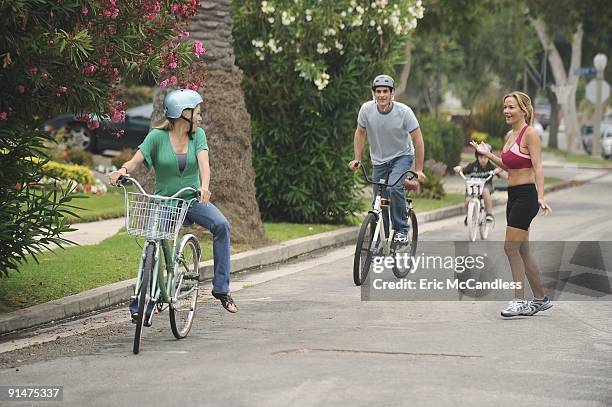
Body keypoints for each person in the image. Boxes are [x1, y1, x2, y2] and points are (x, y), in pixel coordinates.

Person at [109, 89, 238, 323]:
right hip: (164, 203)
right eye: (196, 113)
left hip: (191, 199)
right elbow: (136, 159)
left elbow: (204, 164)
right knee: (152, 243)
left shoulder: (197, 136)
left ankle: (221, 288)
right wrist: (122, 170)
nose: (200, 118)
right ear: (183, 114)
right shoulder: (156, 137)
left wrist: (204, 187)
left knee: (221, 225)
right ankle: (144, 301)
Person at [471, 91, 552, 318]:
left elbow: (538, 167)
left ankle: (519, 301)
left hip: (527, 197)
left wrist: (541, 196)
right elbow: (509, 166)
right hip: (513, 195)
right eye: (505, 107)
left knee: (510, 248)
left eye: (511, 107)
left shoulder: (530, 134)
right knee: (523, 250)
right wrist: (487, 153)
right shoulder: (510, 135)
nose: (506, 111)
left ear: (523, 110)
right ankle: (540, 299)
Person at [348, 74, 425, 243]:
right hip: (379, 161)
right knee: (378, 199)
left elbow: (418, 139)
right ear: (373, 94)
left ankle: (401, 230)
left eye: (385, 91)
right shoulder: (366, 110)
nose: (381, 95)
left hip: (402, 156)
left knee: (394, 188)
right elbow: (360, 133)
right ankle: (382, 238)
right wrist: (357, 159)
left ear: (392, 94)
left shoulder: (404, 112)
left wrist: (418, 169)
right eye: (378, 91)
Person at [453, 143, 506, 226]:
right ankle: (469, 216)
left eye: (485, 157)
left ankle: (489, 214)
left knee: (485, 191)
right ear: (477, 157)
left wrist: (499, 171)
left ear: (489, 158)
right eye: (481, 157)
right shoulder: (473, 165)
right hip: (473, 188)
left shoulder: (491, 167)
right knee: (467, 200)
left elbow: (503, 175)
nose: (483, 160)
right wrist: (459, 169)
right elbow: (464, 170)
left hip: (487, 186)